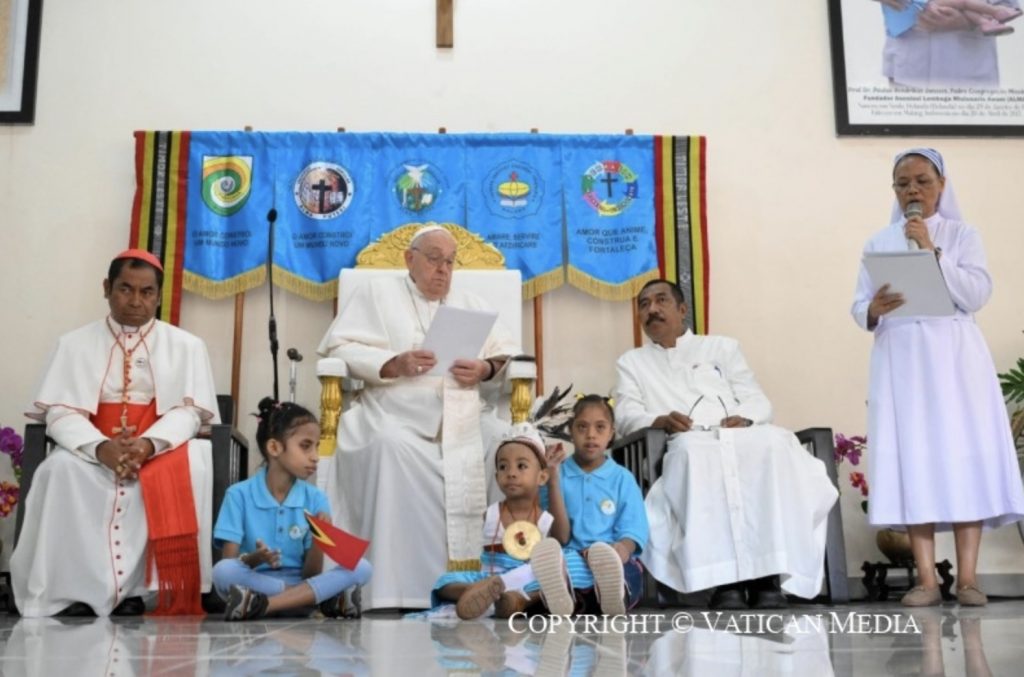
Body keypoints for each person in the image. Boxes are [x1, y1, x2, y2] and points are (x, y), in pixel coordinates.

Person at [851, 147, 1024, 606]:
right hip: (902, 360)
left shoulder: (964, 235)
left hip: (955, 358)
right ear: (894, 190)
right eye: (903, 183)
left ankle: (967, 579)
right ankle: (927, 581)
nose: (912, 190)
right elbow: (858, 304)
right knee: (915, 459)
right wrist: (872, 310)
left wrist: (933, 253)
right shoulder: (879, 241)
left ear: (942, 185)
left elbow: (976, 293)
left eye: (922, 181)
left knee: (962, 456)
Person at [316, 225, 521, 609]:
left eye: (450, 262)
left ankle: (498, 581)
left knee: (502, 442)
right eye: (434, 259)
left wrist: (485, 368)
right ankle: (394, 590)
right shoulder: (376, 293)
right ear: (410, 259)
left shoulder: (471, 304)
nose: (443, 270)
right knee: (388, 445)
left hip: (462, 413)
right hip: (392, 409)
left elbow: (508, 355)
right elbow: (340, 348)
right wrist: (393, 362)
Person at [12, 249, 219, 617]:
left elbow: (190, 412)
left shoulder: (187, 346)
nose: (136, 301)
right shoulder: (73, 344)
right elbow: (60, 411)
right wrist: (99, 448)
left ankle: (142, 592)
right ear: (107, 288)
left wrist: (149, 444)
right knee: (58, 471)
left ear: (158, 296)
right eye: (125, 289)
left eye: (146, 292)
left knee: (192, 467)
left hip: (158, 446)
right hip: (91, 447)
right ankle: (72, 591)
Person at [615, 280, 839, 610]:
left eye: (661, 300)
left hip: (740, 435)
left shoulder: (722, 348)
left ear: (682, 309)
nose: (652, 310)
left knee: (774, 445)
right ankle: (725, 582)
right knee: (695, 455)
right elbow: (625, 414)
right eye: (644, 305)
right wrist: (659, 420)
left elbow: (757, 400)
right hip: (685, 440)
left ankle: (768, 578)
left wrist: (746, 417)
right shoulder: (632, 362)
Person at [213, 397, 372, 620]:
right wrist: (255, 559)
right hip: (258, 582)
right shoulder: (238, 495)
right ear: (274, 447)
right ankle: (314, 600)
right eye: (305, 446)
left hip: (295, 584)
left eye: (316, 447)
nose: (315, 457)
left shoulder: (316, 498)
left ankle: (264, 606)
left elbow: (311, 573)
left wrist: (318, 541)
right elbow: (230, 562)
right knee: (223, 572)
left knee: (362, 567)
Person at [433, 424, 569, 620]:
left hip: (527, 579)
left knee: (557, 570)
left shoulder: (544, 519)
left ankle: (514, 600)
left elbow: (563, 537)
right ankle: (483, 593)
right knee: (444, 582)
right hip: (489, 579)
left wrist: (554, 479)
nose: (511, 473)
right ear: (497, 478)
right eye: (503, 467)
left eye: (521, 466)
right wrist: (487, 585)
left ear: (542, 477)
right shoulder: (490, 514)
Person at [530, 395, 649, 616]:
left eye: (600, 427)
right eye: (582, 427)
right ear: (570, 431)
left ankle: (612, 596)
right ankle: (571, 598)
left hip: (612, 559)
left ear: (611, 433)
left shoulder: (622, 478)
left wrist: (622, 549)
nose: (591, 435)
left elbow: (634, 529)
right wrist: (554, 479)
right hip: (571, 558)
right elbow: (560, 537)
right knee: (554, 570)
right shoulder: (556, 474)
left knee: (629, 573)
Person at [875, 0, 1022, 88]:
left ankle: (985, 22)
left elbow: (1008, 5)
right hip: (907, 69)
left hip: (969, 76)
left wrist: (966, 23)